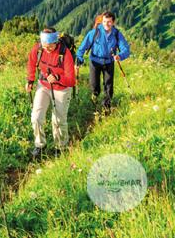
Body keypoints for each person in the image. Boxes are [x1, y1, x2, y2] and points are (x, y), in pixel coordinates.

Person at [26, 28, 75, 158]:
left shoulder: (65, 54)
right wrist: (30, 80)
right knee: (36, 117)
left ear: (56, 42)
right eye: (45, 46)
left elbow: (71, 80)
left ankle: (60, 147)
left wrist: (58, 78)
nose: (47, 49)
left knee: (58, 120)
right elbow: (31, 63)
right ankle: (40, 145)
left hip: (61, 89)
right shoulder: (38, 49)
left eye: (51, 46)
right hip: (44, 85)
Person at [76, 11, 130, 111]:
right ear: (102, 21)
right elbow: (83, 46)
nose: (106, 24)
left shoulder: (117, 34)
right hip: (95, 62)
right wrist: (79, 58)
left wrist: (120, 56)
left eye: (109, 22)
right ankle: (94, 102)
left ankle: (106, 108)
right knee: (94, 85)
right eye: (104, 21)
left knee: (109, 86)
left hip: (109, 62)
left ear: (113, 22)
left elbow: (126, 49)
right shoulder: (94, 32)